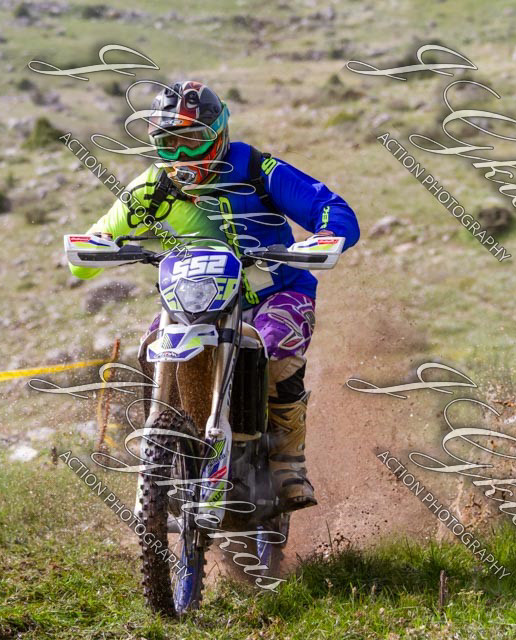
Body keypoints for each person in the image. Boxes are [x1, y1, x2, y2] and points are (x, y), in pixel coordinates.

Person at [69, 81, 359, 511]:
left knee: (276, 350)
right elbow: (91, 247)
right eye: (169, 143)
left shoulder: (258, 170)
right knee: (152, 348)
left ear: (219, 134)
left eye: (192, 140)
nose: (181, 154)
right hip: (193, 299)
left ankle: (287, 461)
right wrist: (97, 245)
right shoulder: (152, 187)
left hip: (274, 292)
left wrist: (327, 235)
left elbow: (330, 207)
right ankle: (165, 444)